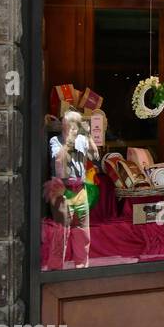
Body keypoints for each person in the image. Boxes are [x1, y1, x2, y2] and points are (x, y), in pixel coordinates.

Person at [49, 110, 98, 268]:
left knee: (82, 231)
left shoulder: (83, 139)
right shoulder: (55, 141)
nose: (70, 129)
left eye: (74, 126)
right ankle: (56, 269)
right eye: (67, 125)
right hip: (62, 189)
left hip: (80, 189)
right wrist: (68, 142)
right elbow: (58, 163)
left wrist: (89, 136)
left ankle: (81, 266)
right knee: (61, 232)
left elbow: (95, 155)